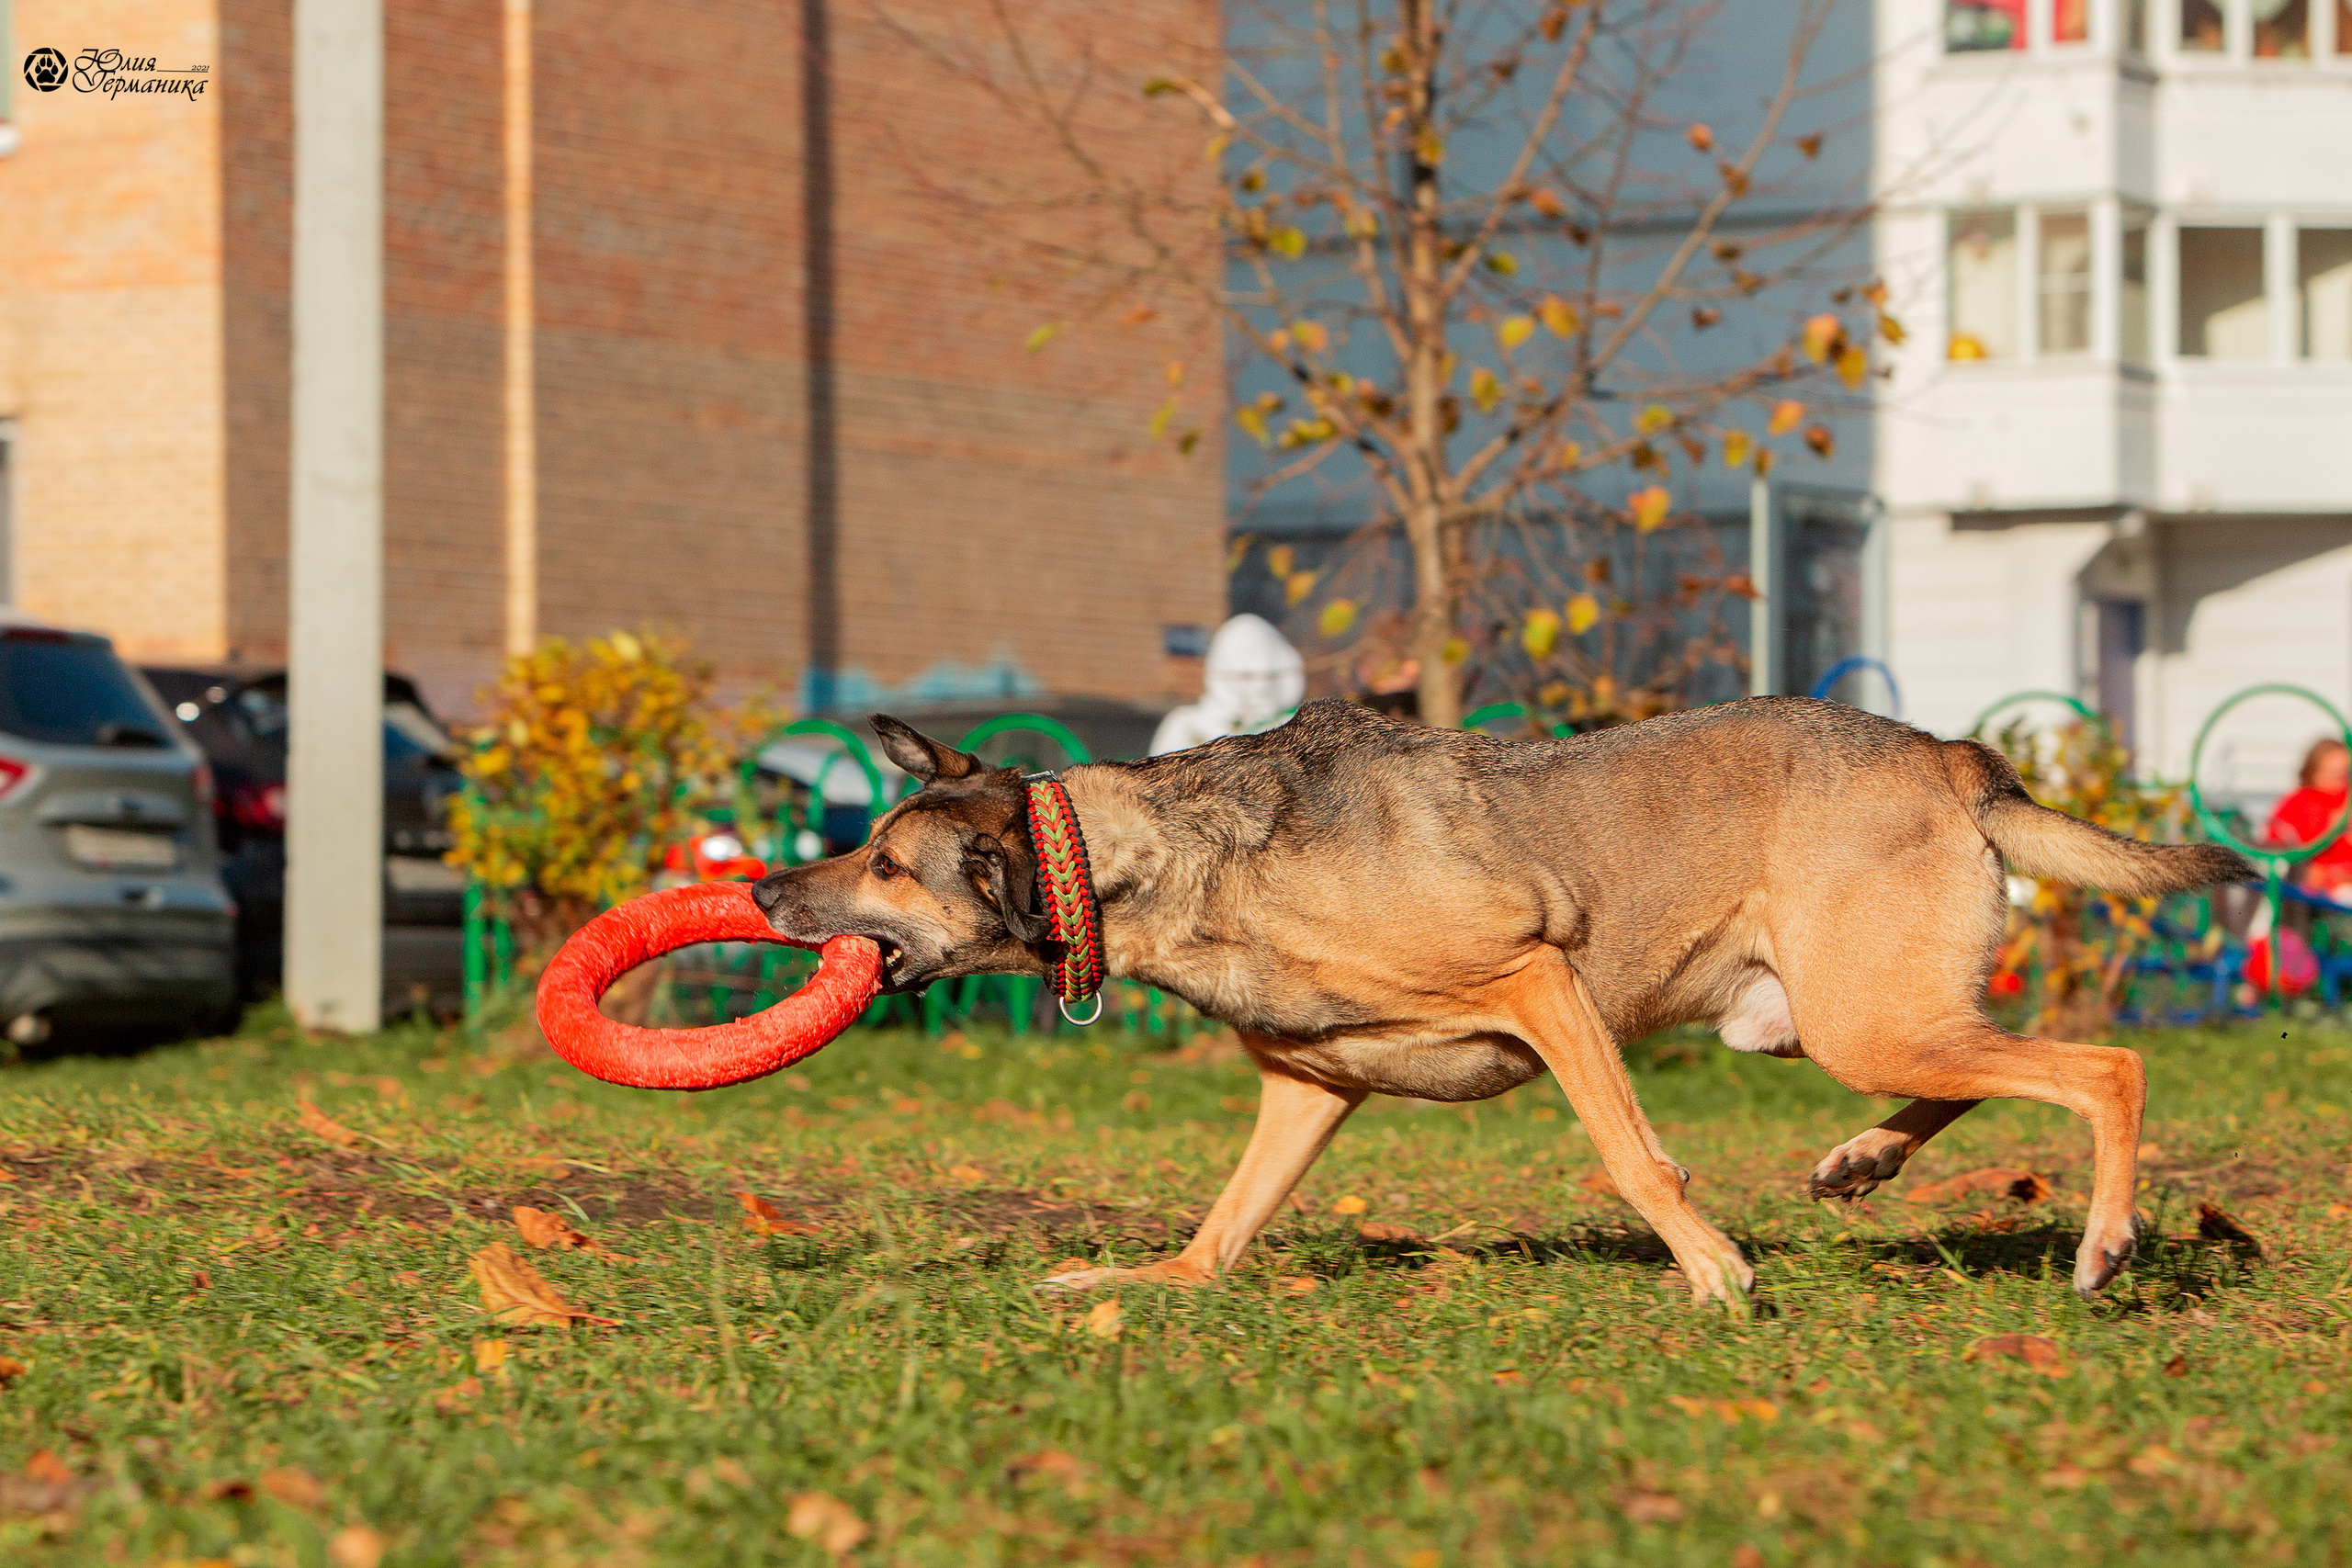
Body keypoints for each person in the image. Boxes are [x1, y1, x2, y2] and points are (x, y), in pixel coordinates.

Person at [1148, 614, 1306, 755]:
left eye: (1271, 676)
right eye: (1247, 676)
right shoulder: (1187, 726)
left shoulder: (1296, 728)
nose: (1261, 686)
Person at [2265, 738, 2352, 901]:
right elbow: (2281, 852)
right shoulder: (2298, 804)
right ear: (2314, 772)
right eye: (2333, 773)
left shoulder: (2347, 799)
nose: (2340, 780)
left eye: (2345, 773)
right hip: (2312, 895)